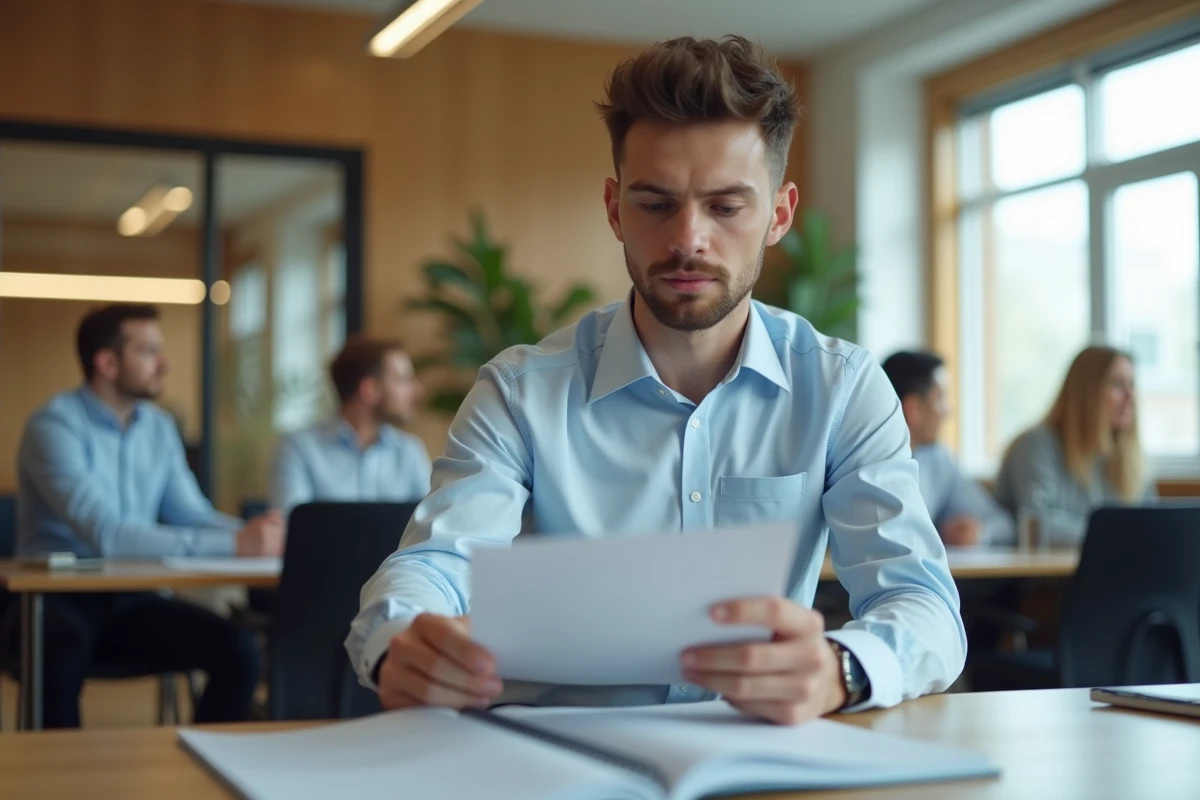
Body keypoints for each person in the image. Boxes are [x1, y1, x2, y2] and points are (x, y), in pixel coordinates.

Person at [348, 35, 964, 726]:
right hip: (549, 758)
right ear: (614, 208)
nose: (687, 239)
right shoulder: (521, 392)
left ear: (779, 215)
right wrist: (401, 643)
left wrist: (842, 670)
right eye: (655, 203)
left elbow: (923, 604)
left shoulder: (844, 389)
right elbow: (436, 564)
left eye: (726, 207)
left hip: (755, 752)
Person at [2, 304, 284, 728]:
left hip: (134, 597)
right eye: (150, 351)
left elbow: (191, 514)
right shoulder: (53, 426)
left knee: (240, 649)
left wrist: (256, 533)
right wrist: (235, 544)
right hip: (53, 600)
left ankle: (198, 764)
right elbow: (108, 535)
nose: (165, 364)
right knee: (61, 647)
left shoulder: (157, 427)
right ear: (108, 362)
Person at [994, 345, 1153, 547]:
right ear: (1087, 392)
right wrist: (1116, 536)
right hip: (1045, 577)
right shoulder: (1036, 445)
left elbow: (1149, 524)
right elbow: (1037, 524)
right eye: (1117, 385)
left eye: (1132, 384)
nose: (1130, 396)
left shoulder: (1130, 459)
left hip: (1109, 571)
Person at [270, 336, 431, 517]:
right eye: (403, 380)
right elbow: (294, 532)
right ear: (370, 390)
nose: (417, 391)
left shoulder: (410, 451)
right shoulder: (299, 448)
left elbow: (427, 525)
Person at [882, 351, 1014, 546]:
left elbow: (1003, 525)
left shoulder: (937, 460)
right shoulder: (863, 462)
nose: (947, 413)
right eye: (940, 400)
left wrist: (979, 533)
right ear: (914, 409)